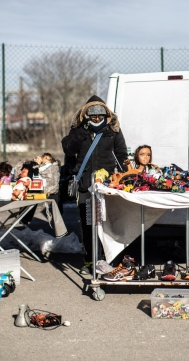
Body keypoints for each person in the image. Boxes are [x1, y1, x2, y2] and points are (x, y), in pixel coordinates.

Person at [62, 95, 128, 275]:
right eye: (93, 116)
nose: (97, 119)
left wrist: (125, 176)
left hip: (106, 184)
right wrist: (82, 131)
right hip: (84, 184)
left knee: (106, 223)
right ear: (86, 116)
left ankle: (107, 259)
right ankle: (90, 261)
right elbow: (68, 149)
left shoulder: (112, 131)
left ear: (106, 115)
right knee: (87, 223)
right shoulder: (78, 131)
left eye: (100, 116)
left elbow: (121, 154)